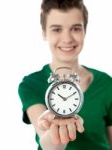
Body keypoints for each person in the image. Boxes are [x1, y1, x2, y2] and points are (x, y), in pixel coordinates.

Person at [18, 0, 112, 149]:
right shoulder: (31, 84)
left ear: (84, 31)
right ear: (44, 32)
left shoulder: (107, 83)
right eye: (56, 29)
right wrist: (55, 131)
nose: (67, 39)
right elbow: (47, 142)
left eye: (75, 28)